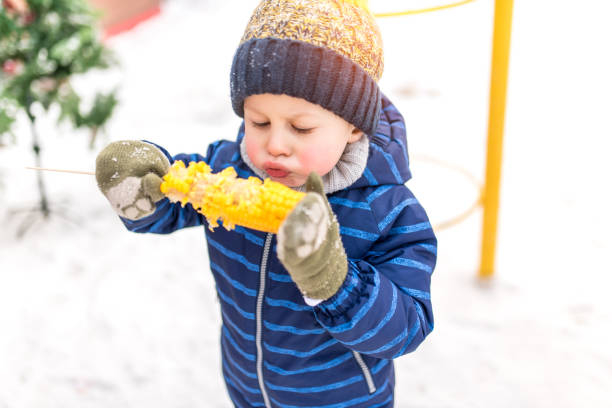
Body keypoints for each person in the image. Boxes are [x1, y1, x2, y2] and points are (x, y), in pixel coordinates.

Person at [95, 0, 437, 406]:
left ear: (353, 127)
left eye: (301, 127)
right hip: (248, 387)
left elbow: (406, 328)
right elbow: (173, 202)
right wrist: (144, 186)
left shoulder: (387, 211)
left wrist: (334, 280)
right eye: (258, 122)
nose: (275, 145)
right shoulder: (229, 167)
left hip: (342, 399)